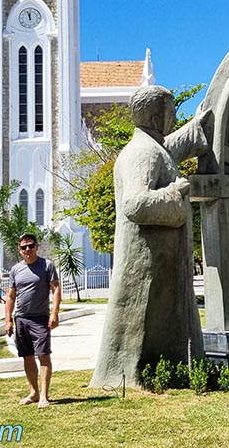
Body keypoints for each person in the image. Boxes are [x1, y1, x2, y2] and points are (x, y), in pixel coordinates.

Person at [91, 85, 213, 390]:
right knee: (142, 330)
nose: (173, 116)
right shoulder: (142, 153)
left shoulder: (150, 147)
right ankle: (136, 376)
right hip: (145, 268)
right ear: (156, 115)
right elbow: (135, 203)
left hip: (159, 267)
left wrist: (196, 127)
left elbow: (167, 148)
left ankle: (167, 372)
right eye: (170, 111)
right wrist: (173, 195)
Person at [4, 233, 61, 408]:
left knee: (43, 356)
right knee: (27, 357)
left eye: (30, 245)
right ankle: (34, 392)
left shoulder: (47, 265)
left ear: (37, 247)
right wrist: (8, 320)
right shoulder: (15, 270)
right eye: (24, 247)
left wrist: (54, 313)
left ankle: (44, 395)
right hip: (21, 319)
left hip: (40, 319)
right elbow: (11, 296)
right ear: (19, 250)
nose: (27, 249)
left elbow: (56, 289)